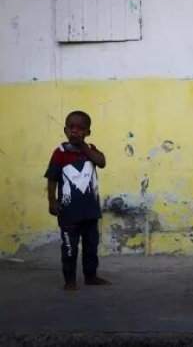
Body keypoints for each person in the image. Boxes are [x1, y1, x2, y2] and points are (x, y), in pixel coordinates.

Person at [45, 111, 110, 290]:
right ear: (65, 130)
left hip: (90, 211)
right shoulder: (60, 153)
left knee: (91, 247)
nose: (75, 131)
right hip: (68, 213)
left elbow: (102, 162)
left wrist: (85, 147)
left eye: (80, 128)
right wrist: (52, 201)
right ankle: (70, 280)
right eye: (71, 127)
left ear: (88, 132)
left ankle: (91, 276)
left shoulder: (91, 151)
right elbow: (52, 179)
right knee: (69, 248)